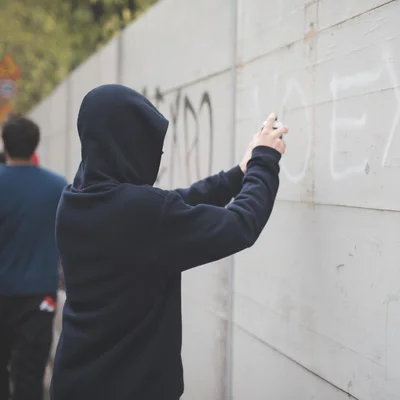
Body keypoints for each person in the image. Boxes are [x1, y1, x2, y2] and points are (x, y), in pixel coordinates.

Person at [50, 84, 288, 400]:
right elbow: (239, 224)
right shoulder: (141, 214)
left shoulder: (75, 200)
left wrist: (238, 173)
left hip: (75, 383)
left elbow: (171, 205)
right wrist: (265, 161)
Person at [0, 115, 68, 400]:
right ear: (35, 145)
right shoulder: (57, 186)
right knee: (31, 372)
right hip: (40, 293)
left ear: (5, 144)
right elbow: (67, 235)